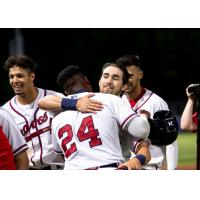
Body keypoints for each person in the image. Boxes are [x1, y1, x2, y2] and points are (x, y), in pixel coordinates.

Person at [41, 65, 151, 169]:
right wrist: (143, 116)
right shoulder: (110, 101)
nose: (109, 81)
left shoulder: (56, 115)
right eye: (106, 76)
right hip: (108, 167)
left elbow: (59, 151)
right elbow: (142, 131)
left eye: (115, 78)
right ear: (90, 81)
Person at [116, 54, 178, 170]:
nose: (125, 80)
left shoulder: (157, 102)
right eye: (122, 76)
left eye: (129, 76)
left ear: (140, 75)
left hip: (149, 167)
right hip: (124, 167)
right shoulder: (117, 102)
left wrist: (172, 171)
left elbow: (171, 140)